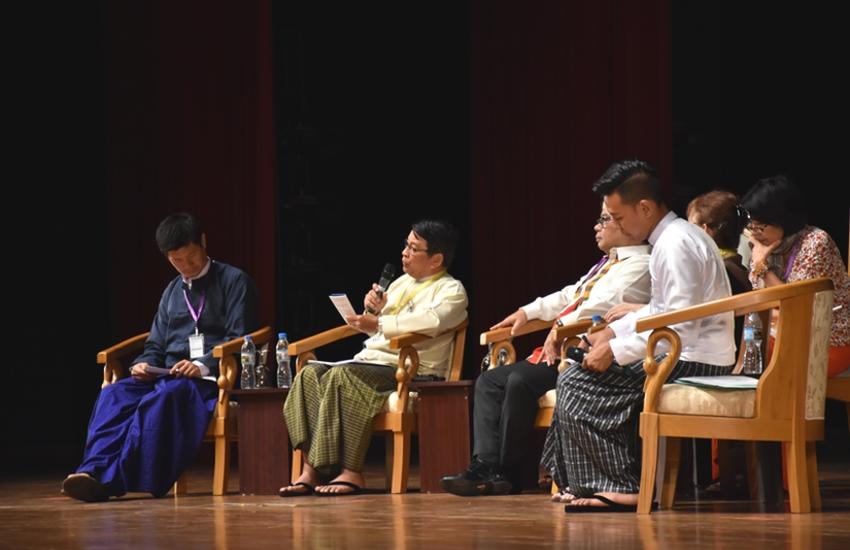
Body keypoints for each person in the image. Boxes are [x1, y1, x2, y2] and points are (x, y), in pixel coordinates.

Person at [541, 160, 736, 512]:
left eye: (617, 217)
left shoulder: (675, 244)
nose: (613, 225)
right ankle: (582, 481)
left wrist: (614, 350)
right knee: (577, 370)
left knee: (578, 382)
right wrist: (611, 332)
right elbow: (662, 310)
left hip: (695, 359)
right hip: (682, 351)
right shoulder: (671, 238)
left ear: (644, 208)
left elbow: (679, 325)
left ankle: (622, 485)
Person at [440, 204, 651, 497]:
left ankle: (511, 473)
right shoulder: (607, 263)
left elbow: (601, 305)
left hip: (589, 351)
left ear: (627, 224)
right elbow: (571, 294)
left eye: (604, 219)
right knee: (489, 381)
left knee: (519, 382)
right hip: (565, 346)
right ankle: (485, 466)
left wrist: (560, 326)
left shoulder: (641, 264)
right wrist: (526, 312)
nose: (596, 226)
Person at [61, 213, 259, 502]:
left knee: (161, 399)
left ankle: (112, 481)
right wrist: (142, 364)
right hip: (165, 375)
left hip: (206, 380)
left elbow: (240, 336)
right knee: (114, 395)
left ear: (203, 242)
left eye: (191, 256)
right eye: (177, 261)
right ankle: (92, 471)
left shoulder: (234, 280)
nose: (187, 266)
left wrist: (202, 363)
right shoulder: (171, 291)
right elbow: (156, 343)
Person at [279, 220, 468, 496]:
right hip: (372, 362)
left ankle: (351, 471)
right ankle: (310, 469)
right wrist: (375, 311)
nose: (404, 252)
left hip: (410, 369)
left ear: (436, 259)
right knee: (308, 373)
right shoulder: (401, 283)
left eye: (414, 248)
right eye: (406, 245)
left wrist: (378, 324)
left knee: (342, 375)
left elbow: (432, 320)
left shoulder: (452, 290)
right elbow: (378, 325)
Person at [741, 175, 850, 377]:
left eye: (761, 226)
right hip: (783, 333)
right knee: (743, 347)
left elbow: (796, 303)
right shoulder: (763, 247)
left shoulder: (816, 242)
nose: (754, 233)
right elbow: (760, 301)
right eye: (751, 225)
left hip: (828, 340)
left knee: (760, 357)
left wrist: (762, 268)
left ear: (783, 218)